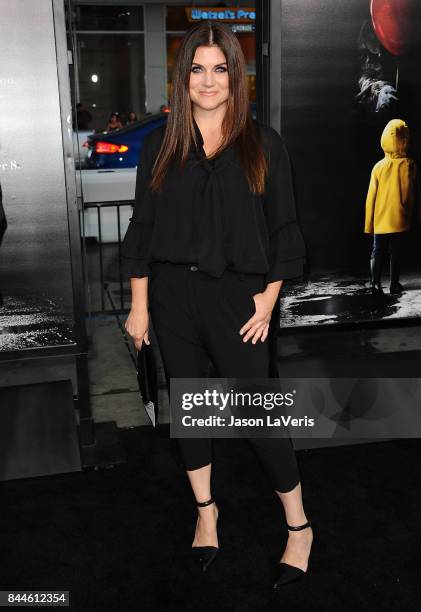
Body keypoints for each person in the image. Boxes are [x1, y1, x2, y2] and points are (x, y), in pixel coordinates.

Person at [121, 21, 312, 588]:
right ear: (184, 78)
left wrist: (268, 299)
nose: (208, 81)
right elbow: (142, 230)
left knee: (258, 414)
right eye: (197, 69)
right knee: (189, 410)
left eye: (220, 68)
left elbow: (285, 230)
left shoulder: (263, 143)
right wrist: (139, 306)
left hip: (240, 300)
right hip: (171, 296)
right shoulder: (160, 145)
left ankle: (299, 527)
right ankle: (207, 514)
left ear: (236, 75)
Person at [365, 119, 419, 295]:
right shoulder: (409, 165)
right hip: (400, 219)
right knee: (396, 252)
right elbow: (412, 194)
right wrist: (412, 215)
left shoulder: (378, 167)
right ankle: (394, 284)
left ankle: (375, 284)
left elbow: (370, 198)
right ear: (405, 139)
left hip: (380, 220)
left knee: (377, 250)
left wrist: (369, 224)